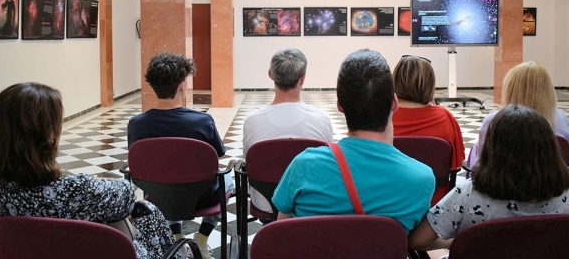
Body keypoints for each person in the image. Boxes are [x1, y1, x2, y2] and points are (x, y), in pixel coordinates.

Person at [0, 83, 174, 259]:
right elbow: (127, 196)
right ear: (46, 136)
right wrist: (94, 183)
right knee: (148, 212)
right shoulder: (77, 189)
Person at [272, 49, 435, 233]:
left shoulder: (304, 166)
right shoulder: (422, 179)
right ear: (394, 103)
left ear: (340, 106)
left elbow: (281, 233)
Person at [408, 104, 569, 251]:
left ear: (491, 149)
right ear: (550, 150)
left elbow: (417, 241)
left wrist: (459, 242)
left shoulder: (468, 193)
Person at [128, 52, 231, 259]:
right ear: (182, 85)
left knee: (168, 179)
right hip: (202, 196)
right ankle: (202, 239)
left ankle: (175, 237)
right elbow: (217, 156)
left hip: (158, 196)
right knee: (227, 178)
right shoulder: (203, 121)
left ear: (152, 85)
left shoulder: (136, 124)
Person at [243, 48, 334, 213]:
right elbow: (327, 162)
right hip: (310, 201)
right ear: (303, 79)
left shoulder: (252, 120)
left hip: (265, 202)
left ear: (270, 74)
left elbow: (248, 159)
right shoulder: (322, 120)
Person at [468, 61, 569, 167]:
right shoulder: (562, 120)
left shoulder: (493, 120)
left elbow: (482, 163)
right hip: (549, 183)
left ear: (510, 88)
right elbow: (568, 162)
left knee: (475, 149)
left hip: (499, 183)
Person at [392, 55, 465, 204]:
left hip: (389, 200)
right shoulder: (445, 117)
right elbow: (456, 166)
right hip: (435, 203)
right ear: (430, 84)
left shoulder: (380, 118)